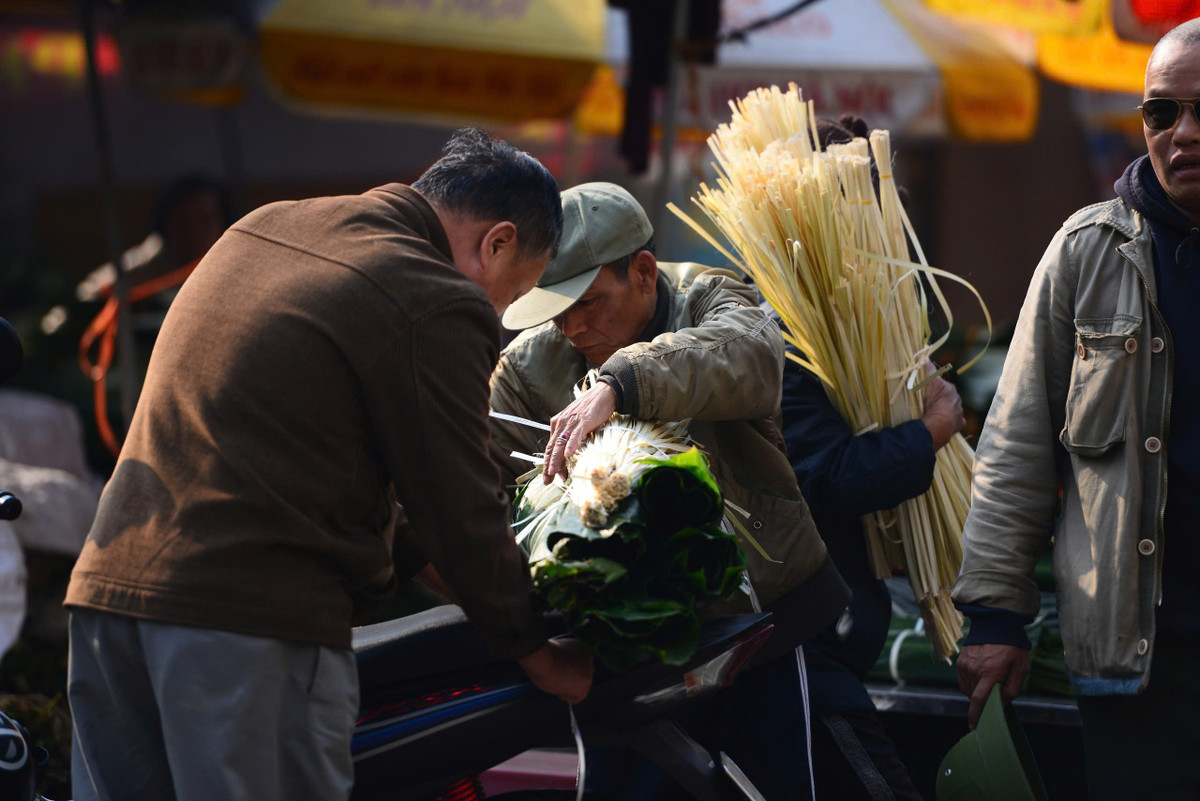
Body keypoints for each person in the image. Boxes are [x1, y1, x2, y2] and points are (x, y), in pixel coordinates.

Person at [63, 128, 593, 801]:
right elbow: (458, 505)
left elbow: (299, 462)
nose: (498, 315)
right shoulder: (434, 294)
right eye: (511, 297)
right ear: (498, 243)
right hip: (244, 627)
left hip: (109, 603)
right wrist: (540, 654)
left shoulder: (265, 225)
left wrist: (445, 568)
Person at [489, 181, 851, 800]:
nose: (573, 328)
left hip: (761, 627)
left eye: (591, 302)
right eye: (556, 308)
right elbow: (482, 490)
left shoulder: (712, 297)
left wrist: (620, 383)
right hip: (622, 650)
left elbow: (750, 356)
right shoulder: (525, 369)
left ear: (645, 271)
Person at [952, 19, 1200, 801]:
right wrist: (993, 619)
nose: (1182, 134)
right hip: (1138, 657)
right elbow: (1015, 447)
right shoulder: (1086, 253)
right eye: (1162, 113)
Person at [775, 114, 965, 801]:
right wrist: (931, 431)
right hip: (801, 644)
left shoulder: (842, 321)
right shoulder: (784, 332)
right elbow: (823, 476)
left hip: (829, 634)